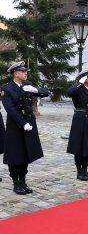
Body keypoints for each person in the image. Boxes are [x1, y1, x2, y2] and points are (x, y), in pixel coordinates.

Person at [1, 61, 49, 194]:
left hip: (29, 123)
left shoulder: (28, 85)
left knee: (26, 153)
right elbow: (10, 109)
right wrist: (23, 123)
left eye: (26, 71)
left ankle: (23, 181)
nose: (26, 73)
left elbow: (46, 93)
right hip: (16, 126)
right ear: (15, 73)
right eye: (23, 71)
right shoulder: (6, 88)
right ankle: (16, 183)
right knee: (15, 154)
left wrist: (35, 90)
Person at [67, 69, 88, 181]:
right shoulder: (78, 89)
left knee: (87, 147)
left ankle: (85, 171)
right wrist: (79, 83)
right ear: (83, 78)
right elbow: (69, 92)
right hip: (79, 120)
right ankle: (79, 172)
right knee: (78, 146)